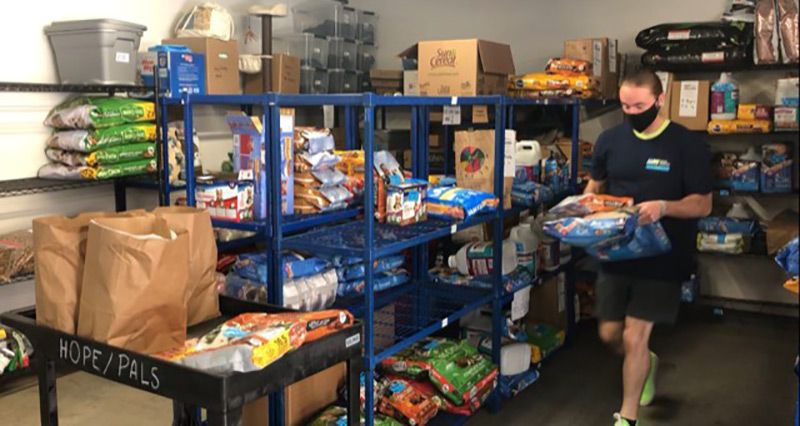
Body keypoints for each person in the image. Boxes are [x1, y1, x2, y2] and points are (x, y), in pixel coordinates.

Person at [584, 69, 713, 426]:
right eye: (625, 105)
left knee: (634, 334)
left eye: (639, 105)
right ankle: (646, 362)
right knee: (610, 334)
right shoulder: (609, 140)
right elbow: (593, 188)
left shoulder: (687, 145)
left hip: (663, 254)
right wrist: (580, 211)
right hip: (617, 250)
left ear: (659, 99)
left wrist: (664, 207)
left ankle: (627, 417)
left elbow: (703, 205)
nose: (631, 112)